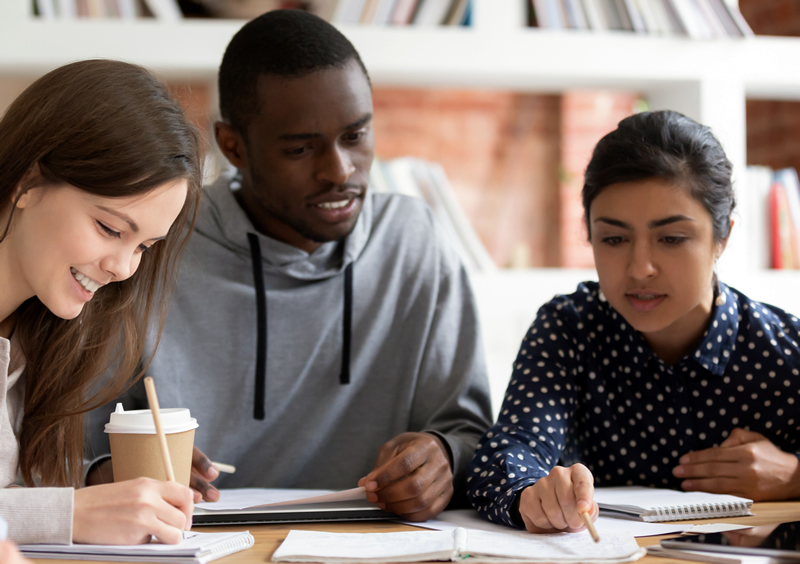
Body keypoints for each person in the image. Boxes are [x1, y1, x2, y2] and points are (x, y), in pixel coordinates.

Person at [86, 9, 493, 521]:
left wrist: (443, 457)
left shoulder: (414, 241)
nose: (339, 171)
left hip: (380, 545)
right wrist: (113, 471)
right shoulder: (153, 247)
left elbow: (472, 432)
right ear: (233, 146)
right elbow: (65, 450)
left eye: (356, 136)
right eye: (301, 148)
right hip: (193, 543)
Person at [467, 110, 800, 533]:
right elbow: (506, 454)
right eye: (614, 239)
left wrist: (794, 475)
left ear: (723, 238)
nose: (640, 268)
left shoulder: (784, 350)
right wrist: (532, 493)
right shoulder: (569, 329)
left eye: (672, 239)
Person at [0, 59, 203, 544]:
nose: (124, 268)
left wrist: (98, 484)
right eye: (110, 229)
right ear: (28, 181)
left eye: (143, 247)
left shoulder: (42, 332)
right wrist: (68, 513)